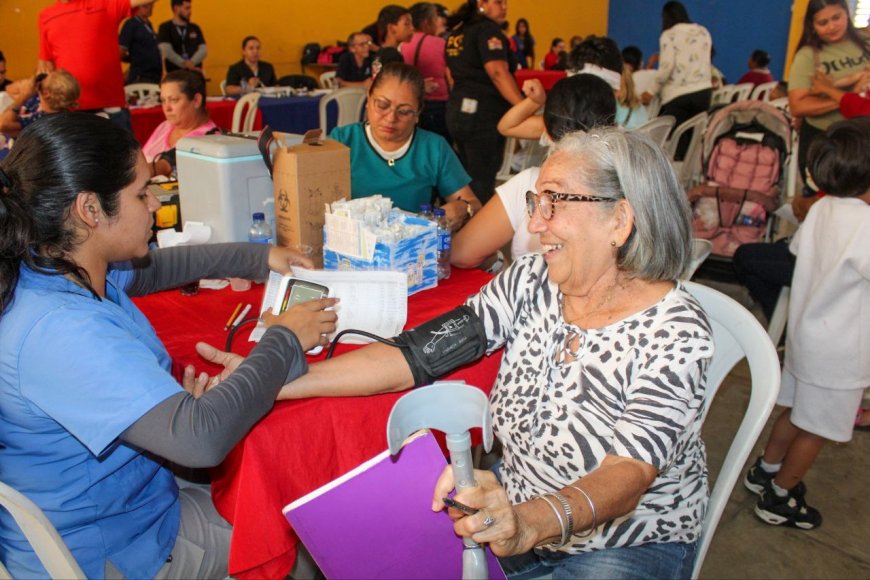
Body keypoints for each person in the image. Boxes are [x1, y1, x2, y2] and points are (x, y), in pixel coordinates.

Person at [265, 127, 709, 579]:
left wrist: (529, 523)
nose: (535, 224)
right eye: (535, 203)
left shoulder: (675, 330)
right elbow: (416, 355)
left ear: (619, 219)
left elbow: (628, 474)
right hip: (516, 516)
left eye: (554, 201)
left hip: (624, 541)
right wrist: (276, 382)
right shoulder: (531, 279)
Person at [0, 112, 337, 579]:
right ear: (89, 209)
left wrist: (260, 256)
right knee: (306, 529)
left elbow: (158, 268)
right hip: (121, 551)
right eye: (141, 193)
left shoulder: (54, 266)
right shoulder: (59, 330)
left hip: (132, 502)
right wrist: (285, 337)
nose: (156, 201)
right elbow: (199, 438)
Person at [744, 117, 870, 530]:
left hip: (806, 341)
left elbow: (799, 251)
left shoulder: (822, 209)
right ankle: (780, 494)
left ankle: (765, 467)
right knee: (815, 431)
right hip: (841, 355)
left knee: (796, 413)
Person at [452, 74, 616, 270]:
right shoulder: (627, 185)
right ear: (611, 126)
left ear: (546, 130)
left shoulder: (529, 185)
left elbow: (461, 253)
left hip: (534, 297)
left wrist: (502, 269)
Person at [329, 62, 480, 228]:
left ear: (418, 114)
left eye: (404, 111)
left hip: (412, 246)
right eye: (382, 105)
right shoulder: (342, 141)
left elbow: (472, 202)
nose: (391, 118)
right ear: (368, 100)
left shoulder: (433, 148)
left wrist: (463, 208)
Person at [788, 0, 869, 208]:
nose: (832, 26)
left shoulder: (864, 42)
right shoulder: (808, 56)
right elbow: (798, 106)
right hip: (827, 142)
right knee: (825, 206)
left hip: (862, 140)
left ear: (847, 15)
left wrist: (831, 92)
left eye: (836, 18)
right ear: (811, 25)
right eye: (823, 22)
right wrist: (848, 97)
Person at [446, 0, 523, 204]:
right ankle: (478, 230)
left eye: (506, 2)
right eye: (499, 2)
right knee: (482, 180)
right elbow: (498, 72)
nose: (504, 7)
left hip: (457, 111)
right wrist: (523, 107)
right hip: (483, 115)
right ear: (482, 3)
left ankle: (465, 224)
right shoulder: (487, 30)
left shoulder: (457, 33)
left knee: (465, 177)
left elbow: (450, 74)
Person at [37, 0, 153, 130]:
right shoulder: (46, 16)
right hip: (68, 110)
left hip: (110, 106)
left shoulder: (103, 4)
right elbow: (45, 65)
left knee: (121, 150)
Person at [640, 1, 713, 160]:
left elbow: (667, 67)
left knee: (671, 140)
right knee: (691, 141)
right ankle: (688, 175)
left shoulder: (669, 35)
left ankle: (674, 176)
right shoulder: (703, 31)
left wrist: (651, 91)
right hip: (704, 94)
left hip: (679, 96)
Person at [143, 70, 218, 177]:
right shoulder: (165, 126)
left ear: (196, 100)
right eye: (163, 101)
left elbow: (163, 167)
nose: (167, 108)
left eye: (173, 100)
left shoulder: (208, 139)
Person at [402, 2, 450, 139]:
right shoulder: (440, 43)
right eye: (435, 20)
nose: (437, 24)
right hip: (437, 103)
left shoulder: (403, 43)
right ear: (426, 22)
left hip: (411, 101)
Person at [0, 70, 79, 138]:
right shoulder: (64, 115)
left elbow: (2, 125)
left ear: (46, 93)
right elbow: (9, 88)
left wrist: (24, 97)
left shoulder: (40, 121)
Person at [119, 0, 163, 85]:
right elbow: (121, 51)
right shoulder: (131, 24)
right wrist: (135, 59)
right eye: (145, 6)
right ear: (137, 7)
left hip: (154, 75)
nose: (149, 9)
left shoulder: (148, 24)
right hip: (141, 75)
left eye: (151, 6)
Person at [157, 0, 207, 74]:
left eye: (190, 8)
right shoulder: (165, 27)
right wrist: (183, 63)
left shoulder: (195, 27)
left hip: (194, 73)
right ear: (176, 8)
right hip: (174, 73)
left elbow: (203, 50)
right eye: (187, 8)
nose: (190, 11)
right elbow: (166, 50)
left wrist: (192, 62)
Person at [373, 5, 414, 74]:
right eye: (407, 24)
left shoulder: (379, 53)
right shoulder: (393, 56)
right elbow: (396, 83)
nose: (412, 28)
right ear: (391, 28)